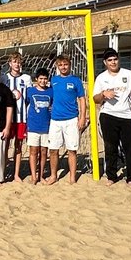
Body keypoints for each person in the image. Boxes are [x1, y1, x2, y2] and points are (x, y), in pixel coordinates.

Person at [94, 49, 131, 185]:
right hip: (108, 115)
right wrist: (103, 94)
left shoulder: (128, 74)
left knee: (130, 147)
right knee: (110, 147)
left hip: (127, 115)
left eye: (115, 59)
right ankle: (111, 176)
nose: (113, 62)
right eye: (109, 60)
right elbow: (95, 98)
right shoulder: (101, 78)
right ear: (105, 62)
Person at [45, 54, 87, 185]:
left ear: (70, 65)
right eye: (60, 65)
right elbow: (48, 96)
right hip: (56, 120)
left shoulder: (76, 80)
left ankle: (72, 177)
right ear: (57, 66)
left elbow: (82, 99)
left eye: (65, 64)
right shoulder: (53, 80)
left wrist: (82, 118)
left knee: (72, 150)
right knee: (53, 149)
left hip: (71, 119)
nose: (63, 67)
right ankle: (53, 176)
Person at [1, 52, 33, 182]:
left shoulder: (26, 78)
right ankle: (2, 173)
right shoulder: (4, 78)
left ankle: (16, 174)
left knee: (18, 146)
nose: (17, 64)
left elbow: (30, 98)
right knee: (5, 146)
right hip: (7, 119)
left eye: (19, 62)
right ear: (10, 63)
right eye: (14, 62)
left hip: (21, 118)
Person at [24, 69, 52, 184]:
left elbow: (53, 105)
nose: (43, 81)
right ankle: (33, 176)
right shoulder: (30, 91)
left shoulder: (51, 91)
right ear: (36, 79)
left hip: (46, 126)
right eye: (41, 78)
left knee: (44, 151)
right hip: (33, 125)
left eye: (45, 79)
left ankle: (41, 176)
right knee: (33, 151)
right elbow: (25, 104)